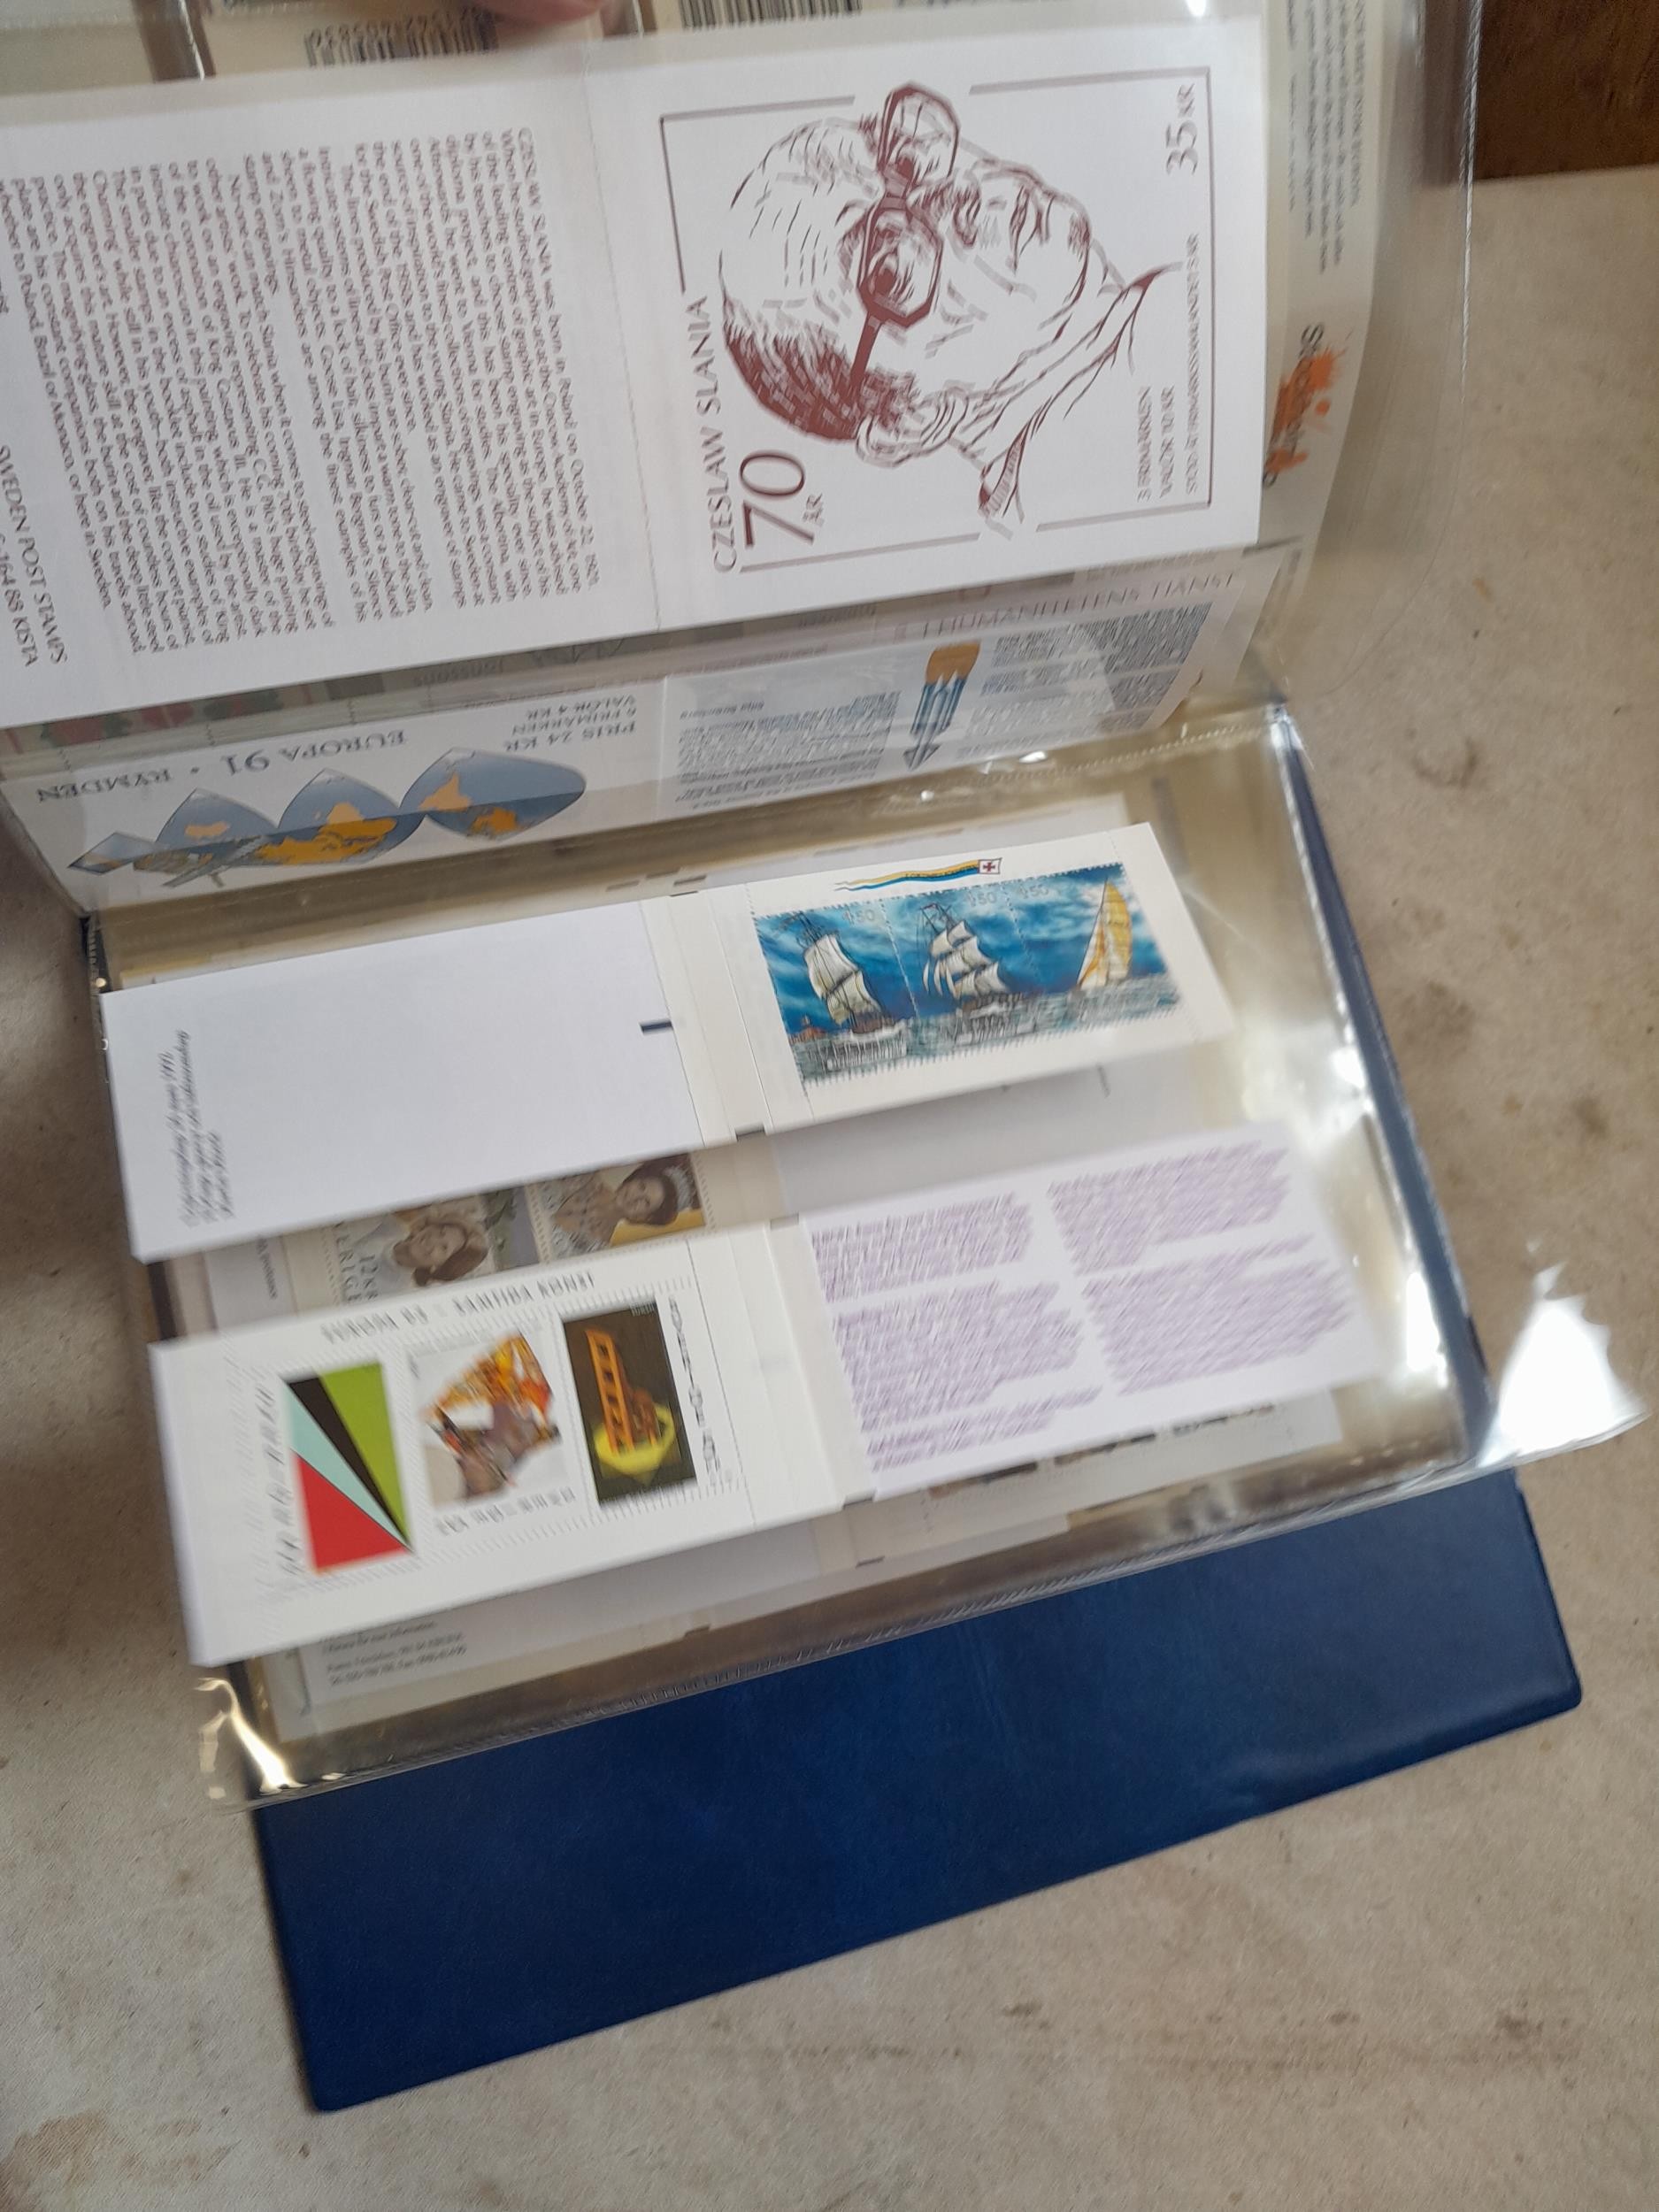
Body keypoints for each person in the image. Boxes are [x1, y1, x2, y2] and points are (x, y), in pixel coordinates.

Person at [720, 84, 1166, 528]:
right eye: (892, 270)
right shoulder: (1152, 364)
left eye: (908, 161)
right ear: (914, 420)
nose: (958, 194)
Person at [391, 1208, 491, 1286]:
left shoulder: (398, 1290)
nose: (433, 1239)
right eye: (441, 1232)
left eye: (444, 1248)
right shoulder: (390, 1226)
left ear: (438, 1268)